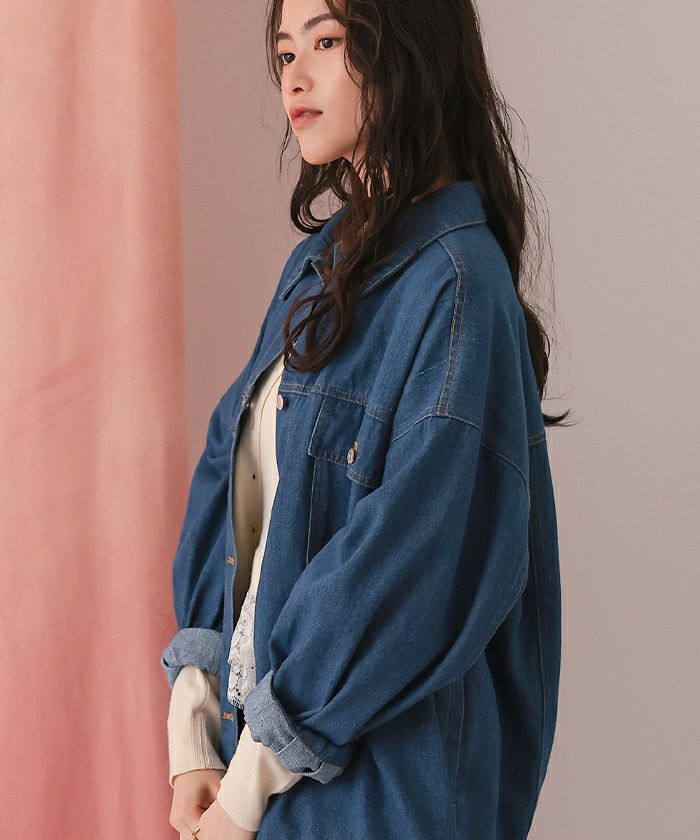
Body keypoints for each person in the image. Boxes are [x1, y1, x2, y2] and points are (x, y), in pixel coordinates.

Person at [162, 0, 569, 837]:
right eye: (286, 52)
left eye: (326, 41)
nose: (294, 76)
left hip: (384, 801)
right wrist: (195, 726)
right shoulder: (320, 266)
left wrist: (247, 784)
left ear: (408, 49)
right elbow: (233, 484)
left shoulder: (458, 285)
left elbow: (407, 565)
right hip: (277, 787)